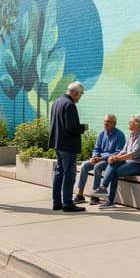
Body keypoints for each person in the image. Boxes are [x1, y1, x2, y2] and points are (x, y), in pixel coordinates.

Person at [92, 114, 140, 210]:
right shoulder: (131, 135)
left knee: (114, 172)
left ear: (137, 124)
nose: (128, 123)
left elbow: (134, 154)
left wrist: (117, 158)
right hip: (129, 162)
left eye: (130, 121)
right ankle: (104, 190)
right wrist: (114, 157)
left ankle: (108, 198)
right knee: (112, 163)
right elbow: (124, 150)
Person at [49, 81, 89, 212]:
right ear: (75, 93)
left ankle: (57, 202)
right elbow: (71, 127)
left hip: (58, 143)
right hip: (68, 145)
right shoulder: (69, 105)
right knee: (69, 174)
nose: (79, 98)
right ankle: (67, 203)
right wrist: (83, 127)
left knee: (59, 172)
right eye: (80, 95)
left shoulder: (57, 102)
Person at [74, 114, 125, 205]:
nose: (106, 123)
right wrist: (94, 157)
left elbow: (118, 153)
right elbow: (96, 148)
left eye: (108, 122)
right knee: (84, 166)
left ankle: (95, 196)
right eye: (105, 121)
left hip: (110, 160)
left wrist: (102, 158)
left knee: (98, 166)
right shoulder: (102, 133)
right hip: (99, 158)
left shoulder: (120, 135)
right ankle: (80, 194)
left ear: (114, 124)